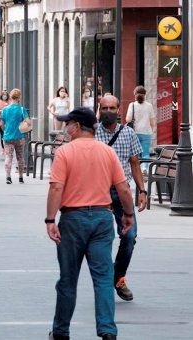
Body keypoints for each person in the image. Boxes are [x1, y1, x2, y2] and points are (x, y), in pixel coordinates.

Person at [46, 107, 134, 340]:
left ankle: (61, 331)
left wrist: (50, 219)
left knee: (68, 278)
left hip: (73, 219)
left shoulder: (65, 152)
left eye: (68, 124)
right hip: (103, 219)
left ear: (76, 126)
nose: (65, 128)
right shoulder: (107, 152)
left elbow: (56, 187)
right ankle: (107, 330)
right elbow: (123, 187)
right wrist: (128, 215)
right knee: (104, 278)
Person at [96, 95, 148, 302]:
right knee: (101, 239)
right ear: (100, 109)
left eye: (112, 107)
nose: (108, 111)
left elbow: (135, 163)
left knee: (130, 236)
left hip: (122, 191)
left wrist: (142, 191)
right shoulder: (90, 134)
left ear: (119, 110)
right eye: (105, 107)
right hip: (97, 193)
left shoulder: (128, 133)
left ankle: (118, 277)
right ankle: (104, 279)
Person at [0, 88, 30, 184]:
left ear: (10, 97)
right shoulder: (22, 109)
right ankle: (20, 177)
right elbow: (28, 122)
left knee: (8, 157)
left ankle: (8, 177)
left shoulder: (5, 109)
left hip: (8, 137)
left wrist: (6, 130)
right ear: (19, 97)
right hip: (19, 136)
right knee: (20, 158)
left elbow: (1, 124)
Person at [125, 86, 156, 172]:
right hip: (147, 132)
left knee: (135, 153)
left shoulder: (132, 105)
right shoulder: (149, 106)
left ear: (135, 94)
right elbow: (152, 121)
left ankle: (136, 169)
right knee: (145, 152)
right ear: (145, 94)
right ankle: (145, 168)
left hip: (135, 132)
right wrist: (152, 130)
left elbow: (128, 119)